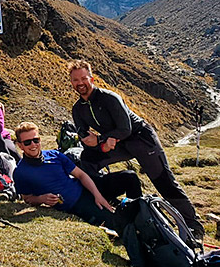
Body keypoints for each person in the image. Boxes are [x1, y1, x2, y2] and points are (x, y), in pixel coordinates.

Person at [68, 59, 204, 239]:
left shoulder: (109, 98)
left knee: (164, 182)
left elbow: (125, 128)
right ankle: (105, 202)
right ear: (71, 82)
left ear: (92, 79)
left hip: (141, 138)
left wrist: (101, 139)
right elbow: (83, 134)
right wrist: (96, 143)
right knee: (86, 160)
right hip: (118, 143)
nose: (80, 83)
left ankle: (193, 225)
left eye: (83, 78)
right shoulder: (78, 109)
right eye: (75, 80)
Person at [12, 121, 116, 228]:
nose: (33, 145)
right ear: (20, 145)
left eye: (36, 140)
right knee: (114, 221)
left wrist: (97, 195)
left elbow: (81, 175)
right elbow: (27, 198)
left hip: (86, 188)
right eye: (27, 142)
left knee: (128, 177)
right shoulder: (20, 172)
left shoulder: (54, 155)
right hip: (75, 205)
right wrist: (42, 199)